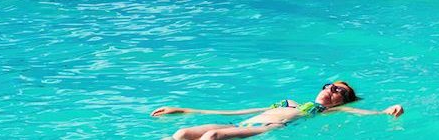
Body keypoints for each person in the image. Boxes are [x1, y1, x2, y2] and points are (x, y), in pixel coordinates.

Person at [150, 81, 403, 140]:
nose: (330, 89)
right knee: (182, 133)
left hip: (265, 129)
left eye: (338, 90)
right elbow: (237, 112)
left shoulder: (324, 111)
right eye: (328, 85)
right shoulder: (287, 102)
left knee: (211, 137)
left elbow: (360, 113)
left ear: (341, 101)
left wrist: (385, 111)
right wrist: (183, 109)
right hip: (241, 125)